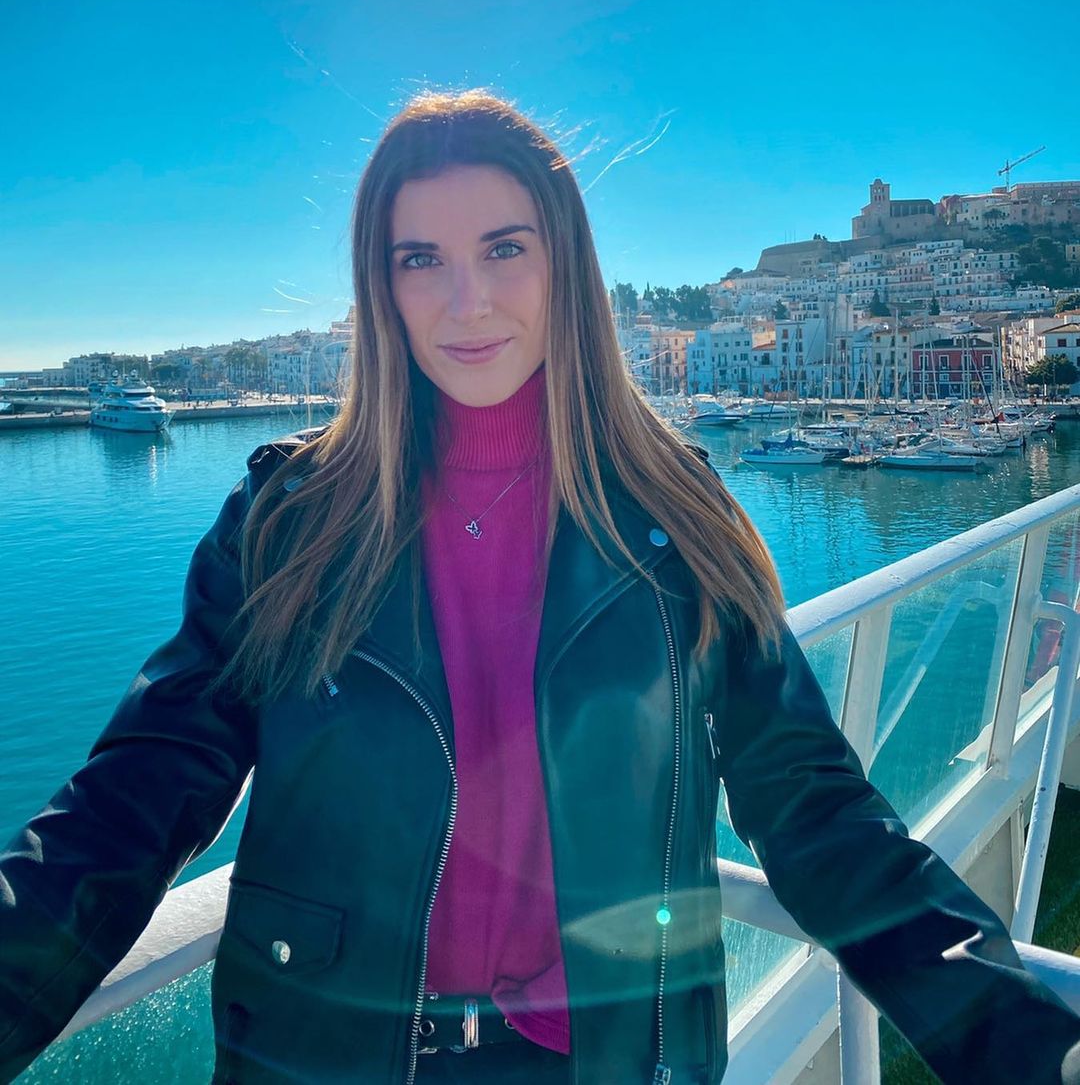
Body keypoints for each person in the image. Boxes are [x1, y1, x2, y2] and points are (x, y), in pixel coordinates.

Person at [1, 90, 1078, 1085]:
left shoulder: (673, 514)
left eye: (504, 248)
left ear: (565, 265)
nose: (466, 300)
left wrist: (1029, 1041)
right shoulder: (286, 520)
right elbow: (135, 796)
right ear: (382, 286)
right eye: (420, 258)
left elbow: (814, 808)